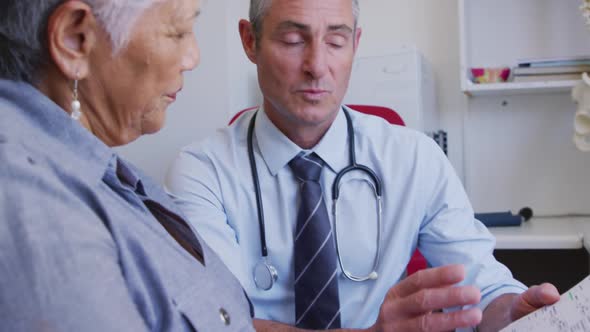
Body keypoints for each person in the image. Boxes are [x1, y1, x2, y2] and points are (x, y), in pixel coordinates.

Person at [165, 0, 560, 331]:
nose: (317, 65)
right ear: (250, 42)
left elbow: (483, 286)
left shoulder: (414, 158)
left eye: (336, 41)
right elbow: (219, 321)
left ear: (356, 44)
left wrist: (512, 313)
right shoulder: (201, 171)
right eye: (292, 39)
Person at [0, 1, 255, 331]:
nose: (193, 57)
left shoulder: (93, 167)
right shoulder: (29, 203)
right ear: (74, 39)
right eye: (177, 32)